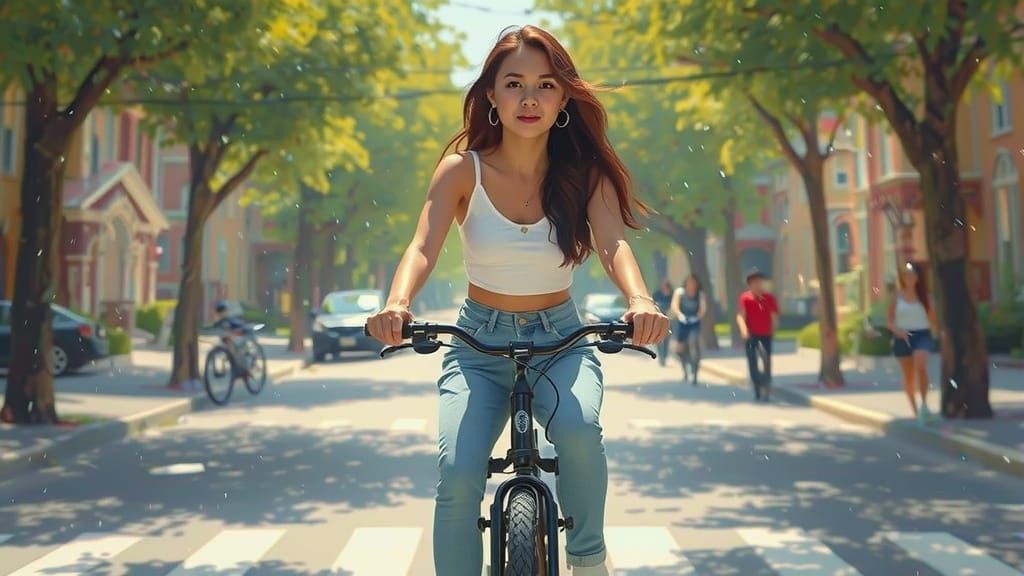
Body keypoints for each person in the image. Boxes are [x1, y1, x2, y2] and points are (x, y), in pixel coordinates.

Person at [365, 25, 670, 576]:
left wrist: (641, 299)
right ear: (491, 95)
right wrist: (398, 302)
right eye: (514, 84)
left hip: (562, 340)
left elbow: (612, 242)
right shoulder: (463, 171)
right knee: (458, 474)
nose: (529, 99)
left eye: (546, 85)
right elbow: (422, 245)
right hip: (476, 344)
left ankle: (589, 559)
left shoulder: (585, 174)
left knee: (580, 435)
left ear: (564, 100)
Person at [886, 261, 939, 425]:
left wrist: (937, 333)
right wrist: (898, 331)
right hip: (902, 337)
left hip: (922, 334)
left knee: (921, 366)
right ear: (902, 277)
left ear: (918, 277)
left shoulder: (926, 296)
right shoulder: (897, 296)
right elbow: (889, 321)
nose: (910, 277)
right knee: (908, 377)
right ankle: (915, 409)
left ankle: (924, 405)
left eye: (912, 274)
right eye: (906, 274)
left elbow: (933, 320)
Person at [736, 268, 779, 401]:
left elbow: (774, 316)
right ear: (750, 284)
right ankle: (757, 387)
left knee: (767, 360)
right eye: (754, 282)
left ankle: (766, 383)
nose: (757, 284)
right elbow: (740, 316)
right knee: (752, 362)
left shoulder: (769, 298)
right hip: (751, 335)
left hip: (766, 334)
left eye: (759, 281)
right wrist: (743, 331)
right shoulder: (746, 298)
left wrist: (774, 328)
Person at [670, 273, 707, 385]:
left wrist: (697, 316)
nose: (691, 285)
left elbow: (702, 307)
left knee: (694, 342)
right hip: (682, 322)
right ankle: (684, 368)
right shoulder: (680, 292)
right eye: (689, 282)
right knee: (680, 349)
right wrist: (680, 315)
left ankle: (695, 372)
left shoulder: (699, 294)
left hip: (694, 322)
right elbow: (674, 305)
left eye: (694, 282)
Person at [211, 300, 250, 378]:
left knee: (239, 353)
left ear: (227, 311)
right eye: (220, 312)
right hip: (227, 340)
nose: (221, 314)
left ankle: (245, 370)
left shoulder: (232, 320)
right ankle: (218, 370)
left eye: (223, 311)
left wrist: (236, 332)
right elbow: (213, 326)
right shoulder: (220, 321)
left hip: (237, 339)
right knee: (216, 350)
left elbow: (242, 328)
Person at [652, 279, 675, 365]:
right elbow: (652, 303)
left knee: (666, 339)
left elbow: (675, 306)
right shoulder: (657, 294)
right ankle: (661, 356)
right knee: (658, 338)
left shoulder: (672, 295)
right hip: (658, 319)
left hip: (668, 319)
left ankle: (664, 356)